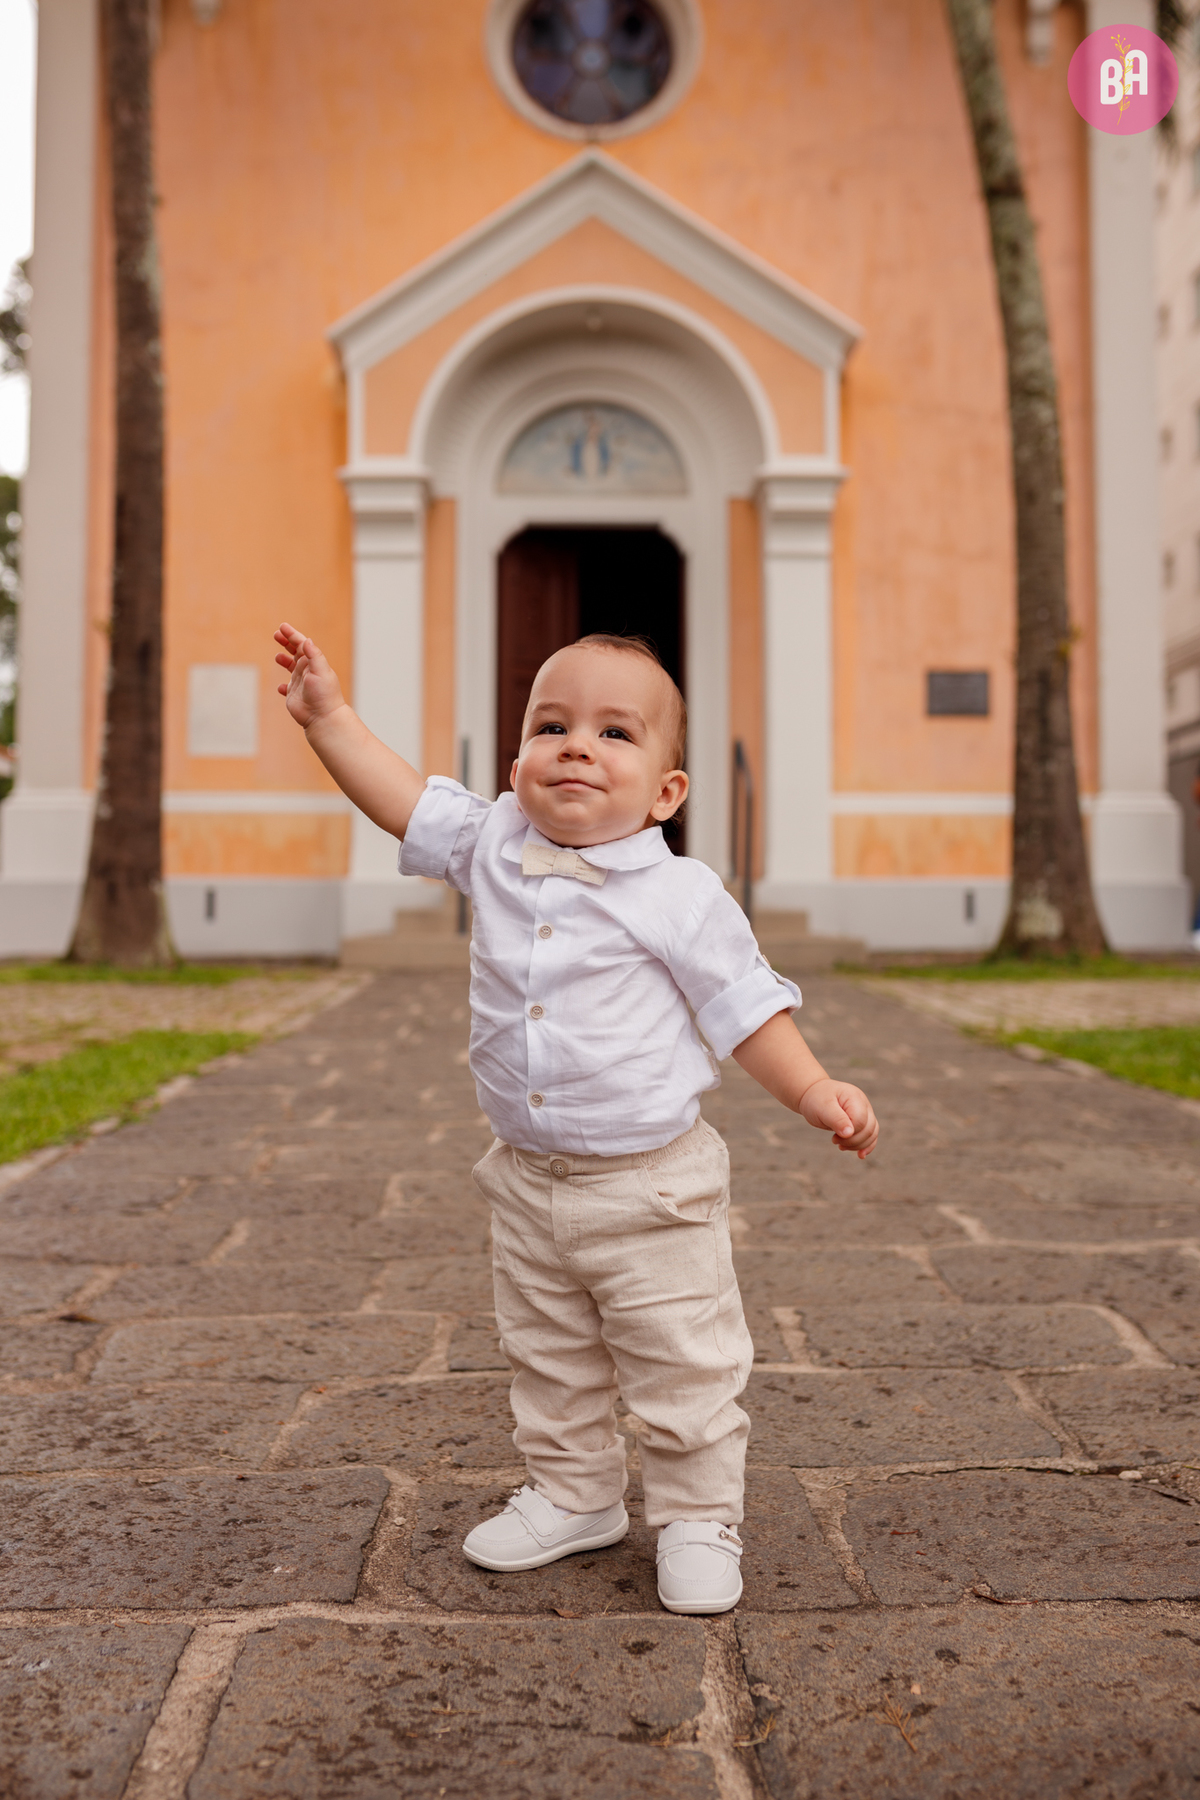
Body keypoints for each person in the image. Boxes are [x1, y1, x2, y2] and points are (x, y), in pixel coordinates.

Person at [274, 621, 879, 1614]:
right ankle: (574, 1494)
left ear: (667, 792)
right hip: (525, 1179)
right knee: (548, 1358)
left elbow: (745, 1010)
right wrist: (330, 718)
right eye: (550, 726)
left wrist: (815, 1090)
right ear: (516, 765)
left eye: (614, 733)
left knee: (683, 1360)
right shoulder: (493, 845)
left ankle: (697, 1515)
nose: (576, 748)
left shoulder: (682, 895)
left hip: (653, 1189)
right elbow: (400, 799)